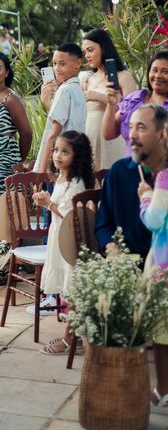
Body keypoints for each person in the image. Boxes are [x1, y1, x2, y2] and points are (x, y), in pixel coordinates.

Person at [33, 131, 95, 355]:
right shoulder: (61, 178)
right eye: (56, 150)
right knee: (68, 290)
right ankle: (73, 337)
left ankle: (70, 340)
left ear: (76, 157)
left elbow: (72, 218)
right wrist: (45, 202)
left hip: (69, 240)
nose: (58, 155)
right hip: (58, 237)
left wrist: (49, 205)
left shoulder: (76, 184)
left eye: (65, 152)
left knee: (72, 290)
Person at [95, 103, 168, 261]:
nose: (132, 135)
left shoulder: (165, 178)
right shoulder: (119, 172)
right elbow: (103, 225)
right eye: (130, 127)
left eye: (141, 128)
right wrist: (112, 248)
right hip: (125, 265)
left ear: (162, 135)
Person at [137, 106, 168, 407]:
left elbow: (156, 220)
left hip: (164, 265)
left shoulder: (164, 178)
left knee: (162, 333)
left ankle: (163, 390)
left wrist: (144, 197)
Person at [81, 28, 137, 170]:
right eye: (85, 52)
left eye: (90, 50)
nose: (87, 55)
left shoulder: (123, 76)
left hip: (113, 138)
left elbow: (131, 111)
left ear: (103, 48)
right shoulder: (88, 80)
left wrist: (100, 97)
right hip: (90, 137)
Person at [0, 51, 33, 203]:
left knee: (5, 210)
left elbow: (26, 134)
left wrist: (19, 161)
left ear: (6, 73)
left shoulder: (11, 98)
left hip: (5, 164)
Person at [34, 43, 87, 173]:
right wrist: (45, 101)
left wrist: (41, 172)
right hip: (75, 158)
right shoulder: (78, 89)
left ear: (77, 63)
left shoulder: (64, 90)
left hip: (58, 161)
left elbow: (53, 134)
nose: (57, 68)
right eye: (55, 63)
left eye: (62, 64)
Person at [103, 50, 168, 154]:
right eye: (154, 70)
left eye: (165, 71)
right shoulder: (135, 100)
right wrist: (111, 104)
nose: (158, 76)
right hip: (131, 167)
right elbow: (108, 134)